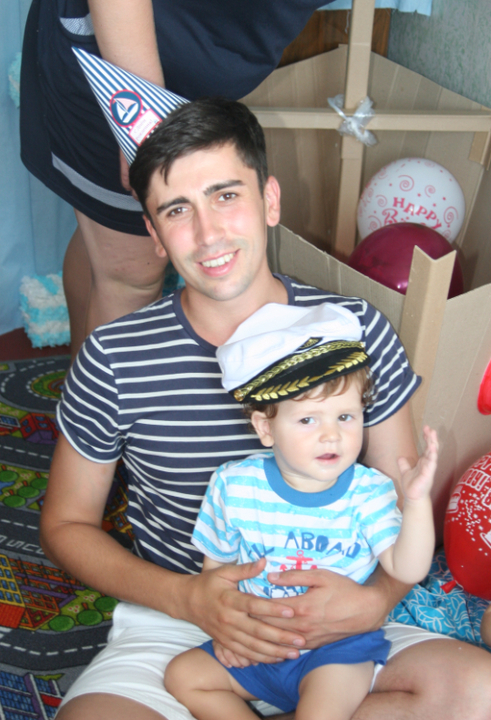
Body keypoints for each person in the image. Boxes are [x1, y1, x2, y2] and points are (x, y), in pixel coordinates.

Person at [40, 98, 491, 720]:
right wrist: (189, 598)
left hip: (341, 612)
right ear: (155, 234)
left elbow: (398, 497)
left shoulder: (355, 329)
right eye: (177, 210)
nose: (208, 234)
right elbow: (65, 525)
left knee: (478, 694)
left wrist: (375, 599)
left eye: (226, 196)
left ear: (269, 201)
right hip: (183, 617)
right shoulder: (115, 356)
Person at [20, 0, 375, 357]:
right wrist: (143, 130)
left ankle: (79, 385)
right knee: (130, 272)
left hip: (188, 62)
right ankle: (97, 398)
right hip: (116, 58)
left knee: (109, 244)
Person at [164, 301, 439, 720]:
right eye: (309, 420)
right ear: (266, 428)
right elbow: (216, 570)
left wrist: (416, 503)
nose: (331, 435)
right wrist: (225, 629)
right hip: (258, 641)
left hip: (336, 650)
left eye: (345, 416)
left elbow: (408, 568)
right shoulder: (234, 486)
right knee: (183, 676)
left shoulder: (368, 492)